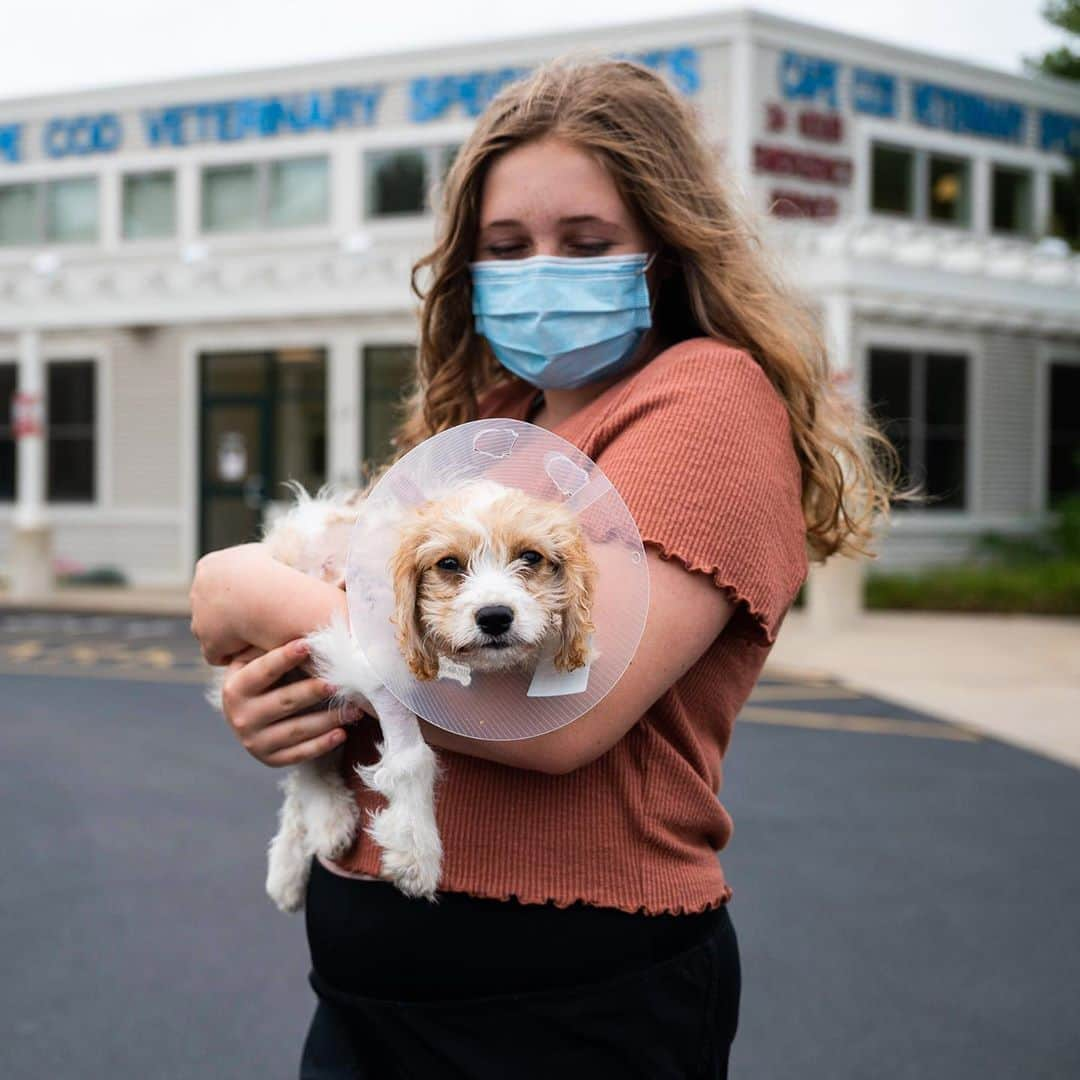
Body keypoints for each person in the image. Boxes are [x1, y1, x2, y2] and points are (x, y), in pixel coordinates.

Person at [189, 54, 906, 1079]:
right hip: (373, 993)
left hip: (568, 1001)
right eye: (507, 246)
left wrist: (244, 588)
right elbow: (389, 635)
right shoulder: (498, 418)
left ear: (664, 248)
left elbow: (557, 713)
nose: (542, 273)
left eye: (586, 243)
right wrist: (289, 700)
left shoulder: (705, 399)